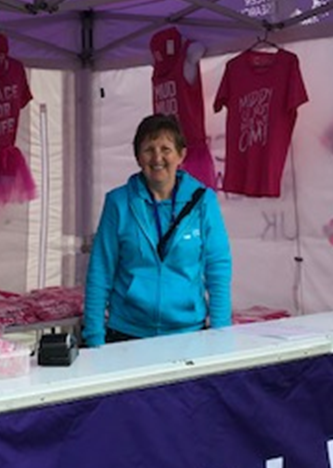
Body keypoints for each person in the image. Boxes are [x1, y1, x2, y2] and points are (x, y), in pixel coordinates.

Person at [82, 114, 232, 346]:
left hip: (188, 333)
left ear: (181, 155)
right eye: (148, 149)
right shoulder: (118, 203)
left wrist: (221, 332)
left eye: (166, 149)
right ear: (138, 157)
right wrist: (94, 336)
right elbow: (100, 270)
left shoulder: (203, 201)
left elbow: (218, 267)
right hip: (127, 333)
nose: (157, 157)